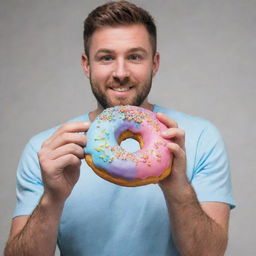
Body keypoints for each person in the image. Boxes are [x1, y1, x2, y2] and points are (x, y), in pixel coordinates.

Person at [4, 1, 235, 255]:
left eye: (134, 57)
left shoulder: (198, 138)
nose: (121, 72)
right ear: (86, 65)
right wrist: (52, 199)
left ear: (154, 63)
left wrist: (177, 186)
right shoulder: (49, 150)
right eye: (106, 58)